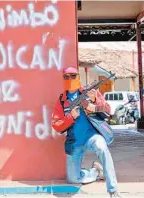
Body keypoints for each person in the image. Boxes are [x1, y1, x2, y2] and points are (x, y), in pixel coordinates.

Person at [51, 66, 121, 198]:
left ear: (78, 77)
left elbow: (108, 110)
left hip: (92, 137)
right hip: (75, 143)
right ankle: (95, 171)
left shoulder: (89, 92)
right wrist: (71, 117)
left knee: (102, 147)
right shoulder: (62, 101)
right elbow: (56, 125)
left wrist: (94, 100)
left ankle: (113, 189)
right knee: (73, 179)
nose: (70, 79)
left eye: (73, 76)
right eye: (66, 76)